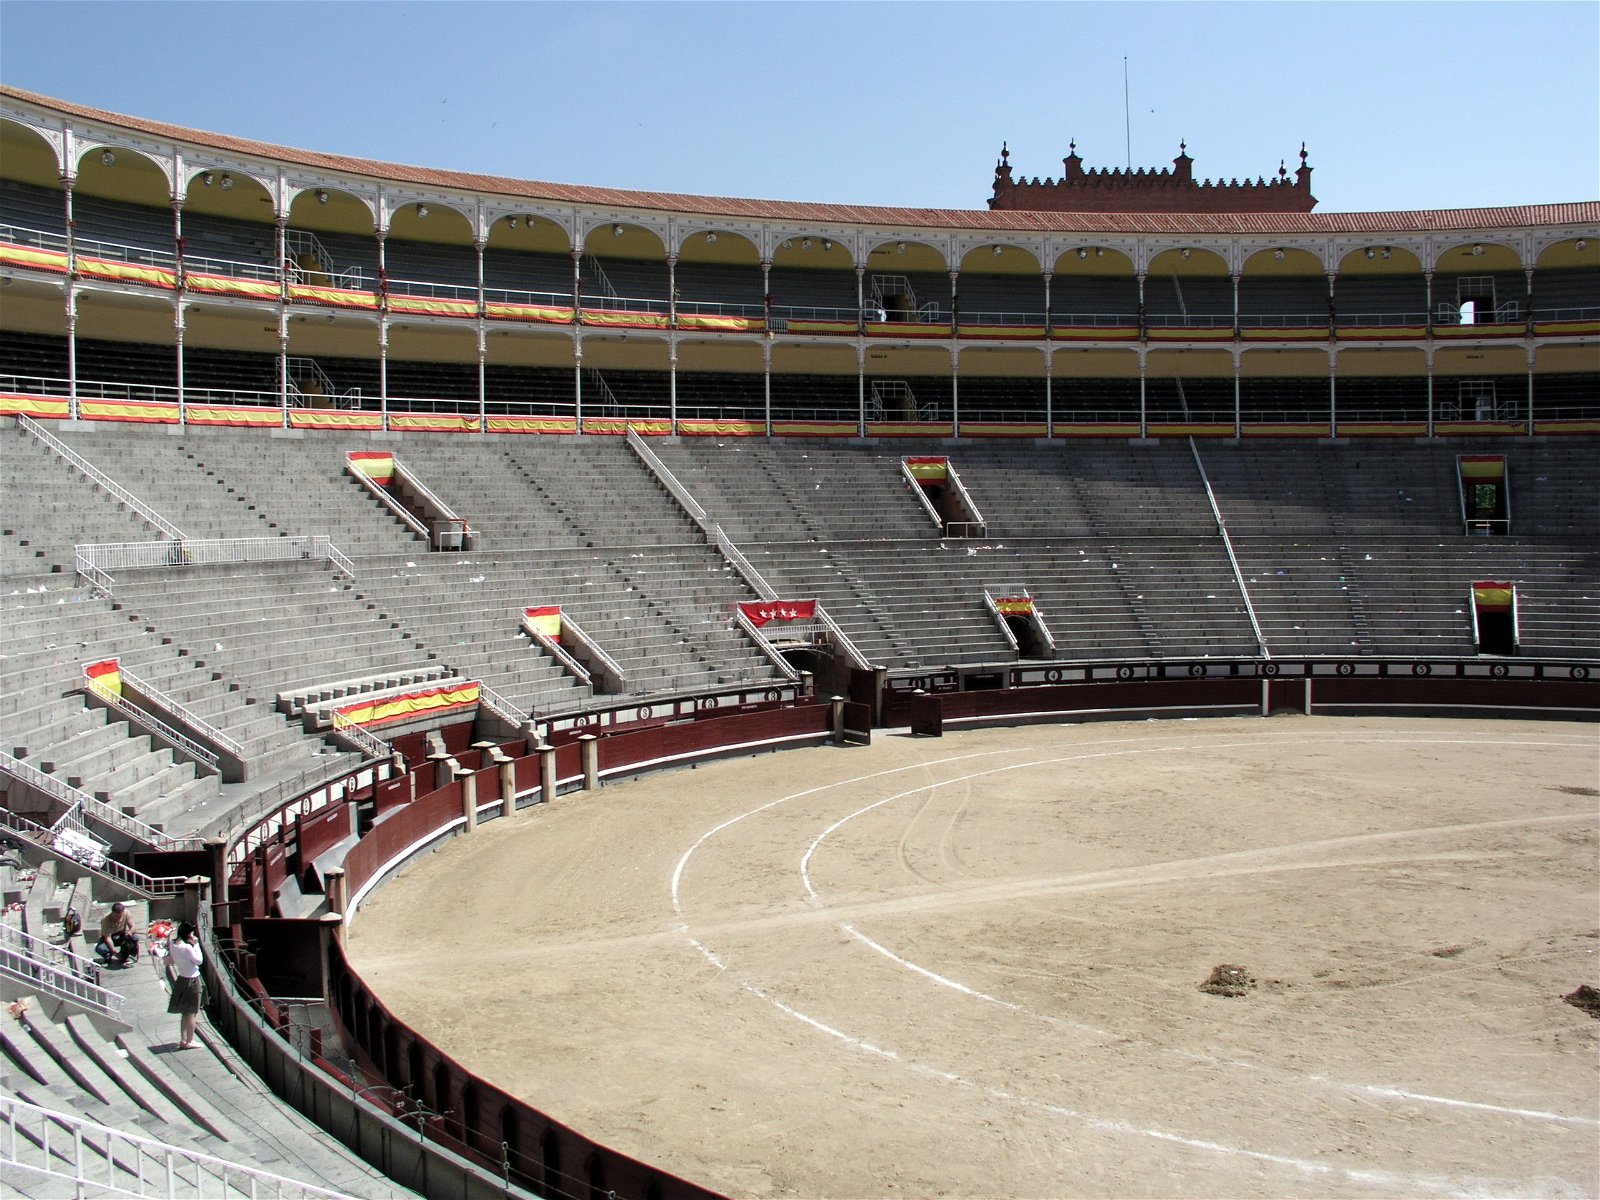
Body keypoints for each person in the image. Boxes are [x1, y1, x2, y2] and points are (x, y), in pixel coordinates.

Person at [166, 921, 204, 1049]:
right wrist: (196, 945)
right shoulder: (187, 947)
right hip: (191, 980)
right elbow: (198, 961)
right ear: (189, 933)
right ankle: (190, 1040)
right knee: (192, 1012)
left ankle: (183, 1040)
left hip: (181, 978)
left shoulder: (173, 944)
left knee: (184, 1013)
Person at [95, 902, 139, 967]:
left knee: (134, 938)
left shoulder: (126, 913)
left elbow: (133, 926)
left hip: (121, 934)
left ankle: (126, 955)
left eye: (120, 916)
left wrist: (130, 931)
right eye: (116, 916)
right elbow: (107, 937)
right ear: (112, 912)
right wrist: (114, 952)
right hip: (110, 936)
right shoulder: (106, 919)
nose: (118, 918)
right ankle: (108, 957)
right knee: (100, 948)